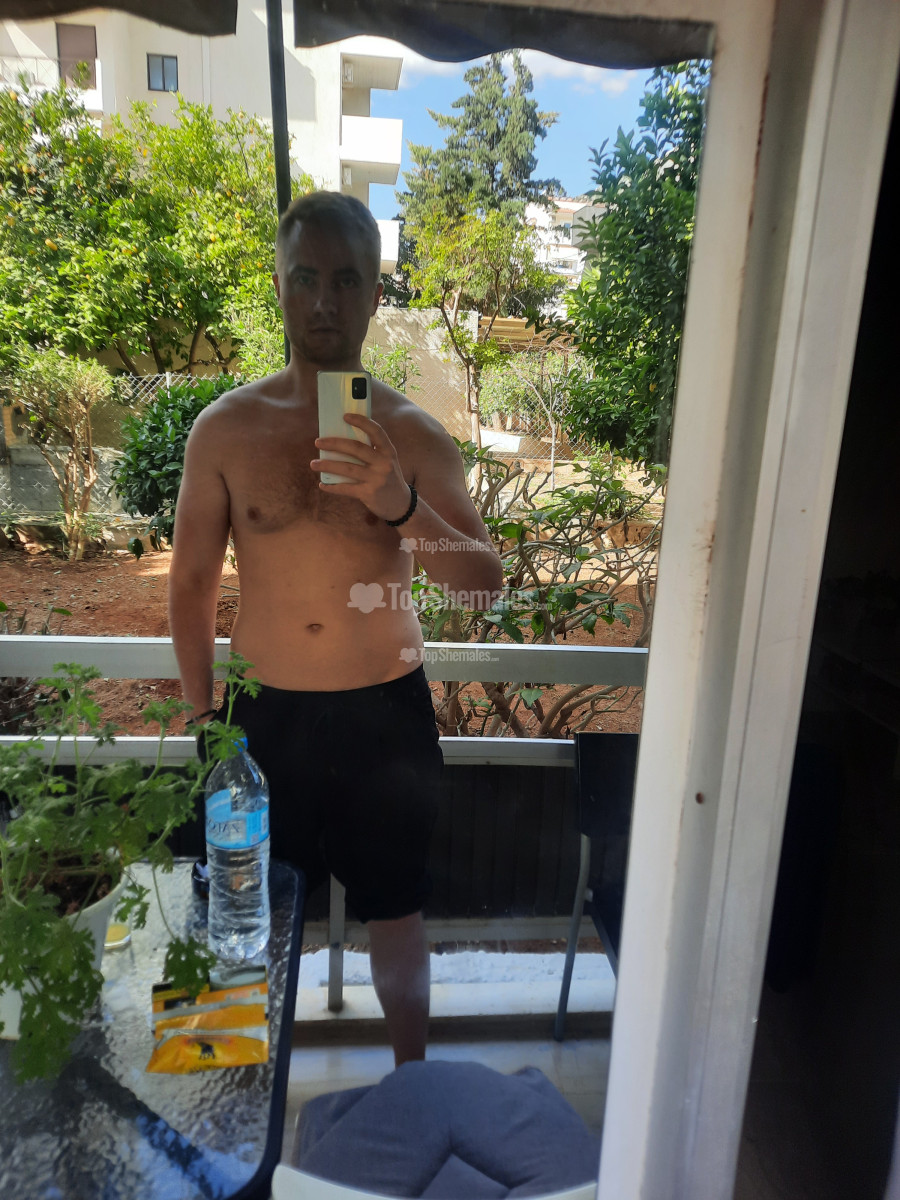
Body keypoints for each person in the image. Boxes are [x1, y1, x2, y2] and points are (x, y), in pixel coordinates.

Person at [168, 191, 503, 1066]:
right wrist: (204, 721)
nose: (324, 299)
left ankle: (412, 1084)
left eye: (347, 279)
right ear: (279, 286)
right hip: (260, 721)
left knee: (398, 910)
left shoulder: (414, 435)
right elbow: (191, 582)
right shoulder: (225, 429)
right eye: (306, 277)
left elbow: (482, 585)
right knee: (240, 910)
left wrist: (399, 502)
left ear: (376, 294)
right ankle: (232, 1092)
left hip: (383, 715)